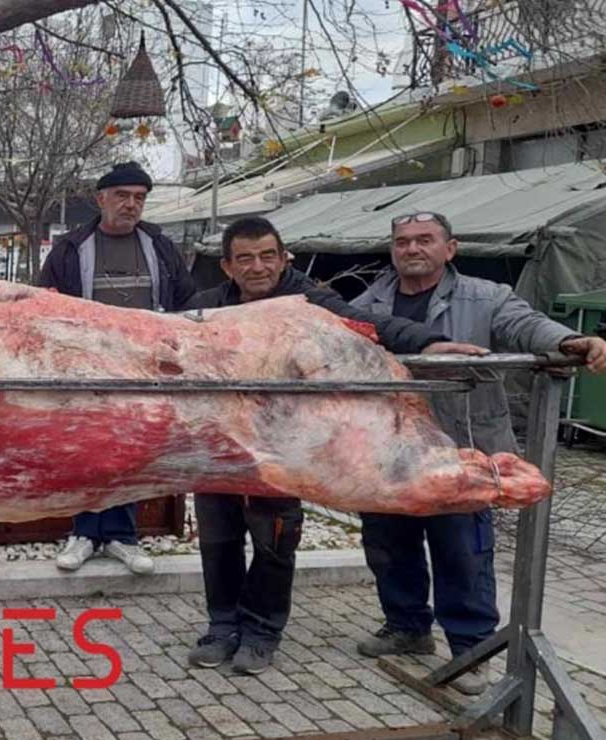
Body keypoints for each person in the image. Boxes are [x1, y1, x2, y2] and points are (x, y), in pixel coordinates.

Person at [182, 216, 464, 675]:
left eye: (268, 255)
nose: (259, 267)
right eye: (246, 258)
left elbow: (370, 323)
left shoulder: (308, 301)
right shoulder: (204, 307)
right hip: (216, 444)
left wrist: (430, 342)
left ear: (283, 256)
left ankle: (261, 631)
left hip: (282, 449)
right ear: (228, 266)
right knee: (218, 539)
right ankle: (221, 626)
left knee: (274, 541)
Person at [351, 211, 606, 695]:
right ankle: (407, 628)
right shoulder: (369, 302)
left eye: (424, 240)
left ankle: (471, 649)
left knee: (463, 552)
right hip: (388, 447)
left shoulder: (488, 298)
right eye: (402, 241)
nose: (411, 249)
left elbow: (527, 326)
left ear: (451, 248)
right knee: (388, 543)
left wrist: (569, 340)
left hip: (461, 448)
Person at [37, 161, 196, 575]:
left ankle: (123, 538)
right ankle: (85, 533)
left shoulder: (160, 245)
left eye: (139, 198)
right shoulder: (72, 247)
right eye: (122, 196)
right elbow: (46, 303)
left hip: (144, 370)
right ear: (101, 198)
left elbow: (183, 300)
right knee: (87, 452)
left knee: (132, 453)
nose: (131, 205)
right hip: (86, 368)